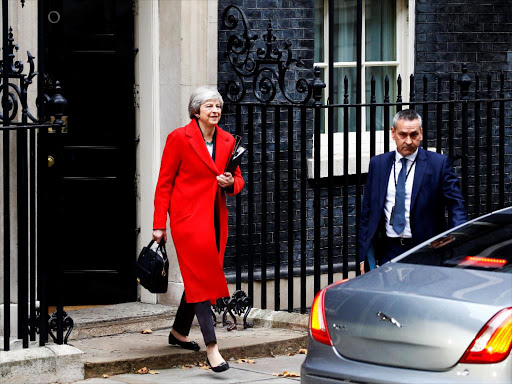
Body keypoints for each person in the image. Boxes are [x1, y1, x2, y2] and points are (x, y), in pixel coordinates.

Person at [152, 86, 244, 372]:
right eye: (209, 106)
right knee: (202, 280)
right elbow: (164, 183)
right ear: (196, 111)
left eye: (218, 106)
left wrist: (230, 183)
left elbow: (238, 181)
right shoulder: (179, 138)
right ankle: (212, 347)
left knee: (198, 278)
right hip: (187, 220)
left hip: (215, 220)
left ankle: (179, 332)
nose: (215, 110)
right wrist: (159, 225)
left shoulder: (228, 140)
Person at [359, 109, 467, 274]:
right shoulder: (378, 164)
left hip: (426, 250)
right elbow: (367, 212)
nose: (408, 141)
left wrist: (455, 241)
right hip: (388, 250)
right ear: (393, 133)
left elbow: (456, 205)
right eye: (403, 135)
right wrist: (363, 255)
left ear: (421, 134)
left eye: (414, 135)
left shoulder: (438, 164)